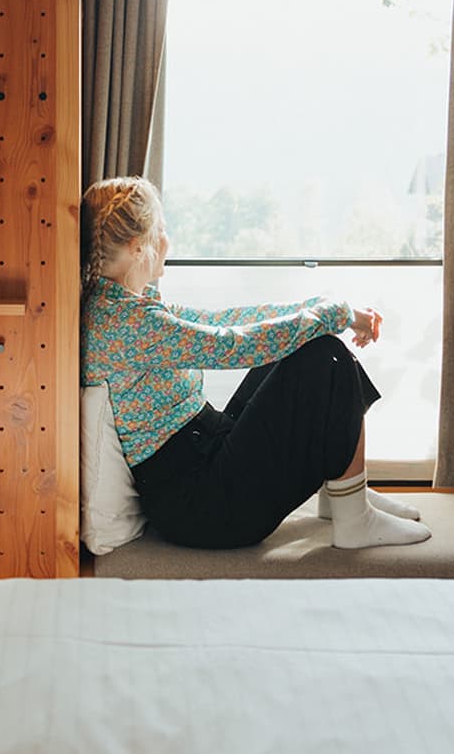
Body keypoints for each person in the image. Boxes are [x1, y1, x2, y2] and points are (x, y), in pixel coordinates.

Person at [80, 176, 431, 551]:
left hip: (203, 466)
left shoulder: (123, 307)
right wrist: (334, 315)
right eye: (161, 230)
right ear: (138, 248)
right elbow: (231, 346)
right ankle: (354, 518)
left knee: (302, 344)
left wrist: (320, 309)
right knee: (325, 356)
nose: (167, 240)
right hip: (205, 506)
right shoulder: (129, 324)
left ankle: (343, 491)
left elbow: (226, 320)